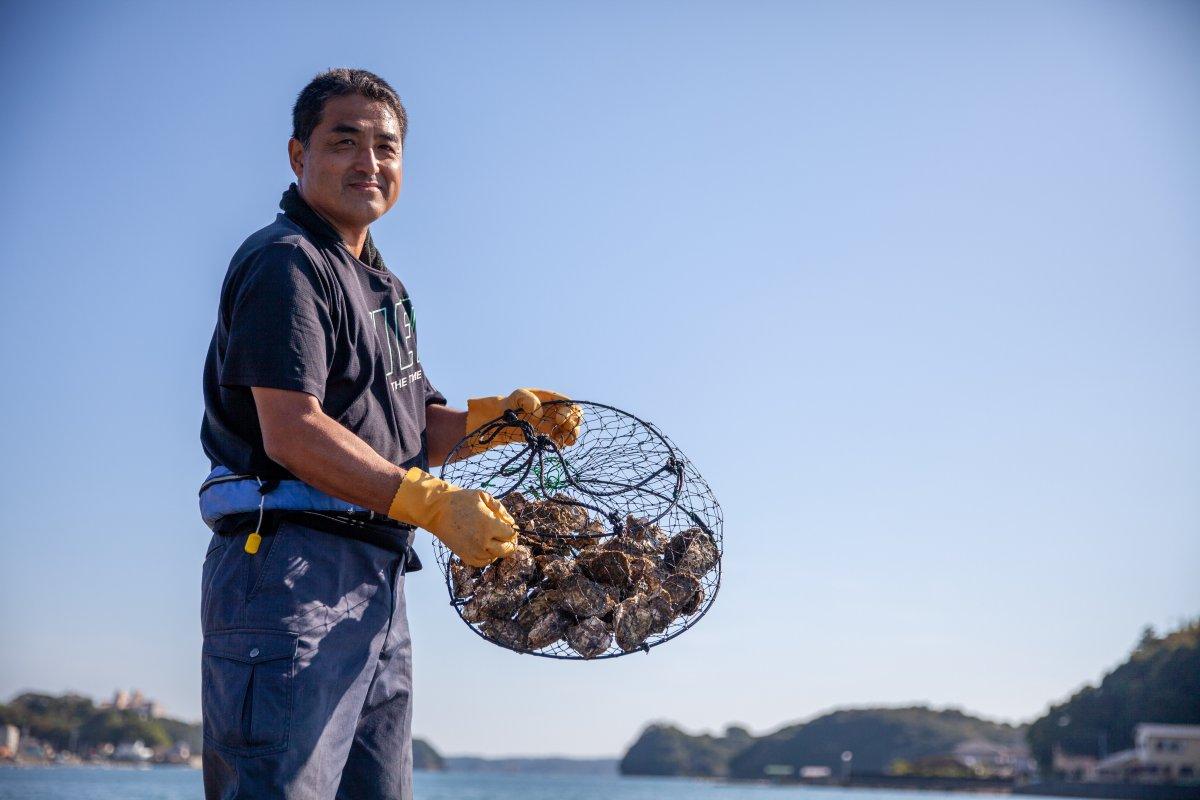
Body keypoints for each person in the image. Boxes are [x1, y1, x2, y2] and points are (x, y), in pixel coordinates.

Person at [197, 68, 579, 800]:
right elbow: (293, 432)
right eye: (344, 142)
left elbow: (418, 433)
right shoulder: (288, 262)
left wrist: (507, 417)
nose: (368, 163)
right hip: (288, 574)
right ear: (296, 155)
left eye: (386, 147)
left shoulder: (385, 289)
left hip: (376, 585)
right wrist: (433, 505)